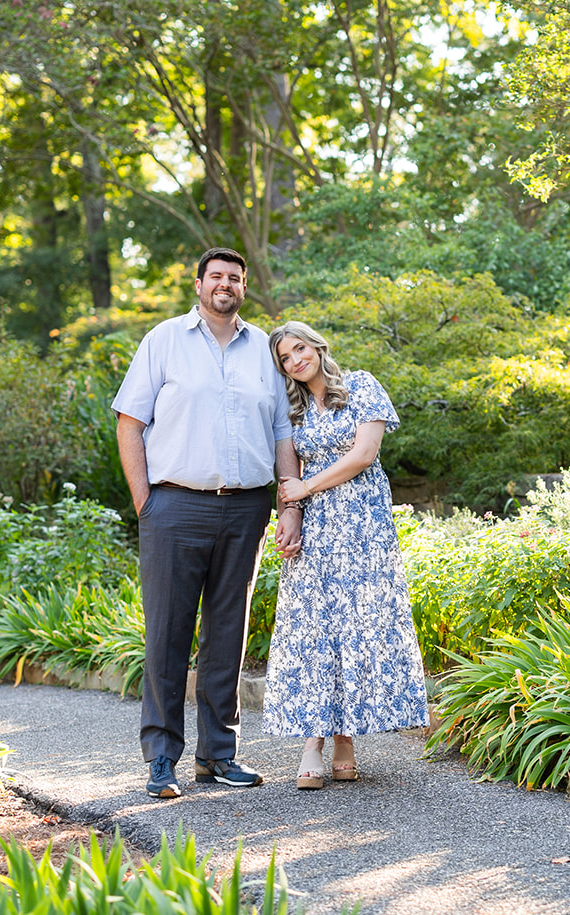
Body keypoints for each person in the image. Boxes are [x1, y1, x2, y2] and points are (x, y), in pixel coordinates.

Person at [111, 247, 303, 799]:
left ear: (244, 288)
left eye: (235, 278)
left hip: (246, 507)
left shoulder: (264, 351)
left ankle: (218, 755)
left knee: (228, 635)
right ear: (198, 284)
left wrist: (289, 504)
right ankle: (161, 759)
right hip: (174, 505)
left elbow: (281, 435)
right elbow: (130, 422)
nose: (225, 285)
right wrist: (146, 501)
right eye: (216, 276)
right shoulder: (164, 340)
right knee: (167, 633)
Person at [262, 321, 430, 789]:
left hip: (362, 526)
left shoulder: (360, 385)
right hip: (316, 528)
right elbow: (287, 470)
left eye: (300, 348)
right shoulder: (291, 409)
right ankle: (312, 742)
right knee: (315, 625)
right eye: (286, 359)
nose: (296, 360)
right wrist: (289, 511)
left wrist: (306, 486)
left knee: (354, 625)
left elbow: (364, 453)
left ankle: (345, 741)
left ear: (317, 345)